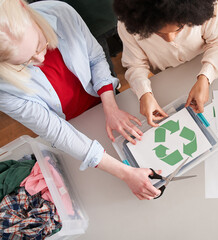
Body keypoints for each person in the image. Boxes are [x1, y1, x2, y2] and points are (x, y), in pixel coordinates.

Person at [0, 0, 160, 200]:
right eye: (24, 63)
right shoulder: (4, 89)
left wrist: (110, 107)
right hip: (70, 128)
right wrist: (126, 173)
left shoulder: (60, 11)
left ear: (26, 10)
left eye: (40, 45)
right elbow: (57, 131)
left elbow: (95, 59)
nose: (40, 59)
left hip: (104, 100)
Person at [114, 0, 218, 127]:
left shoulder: (206, 5)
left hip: (204, 61)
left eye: (179, 28)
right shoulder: (128, 25)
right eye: (158, 33)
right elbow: (135, 65)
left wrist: (205, 77)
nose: (170, 39)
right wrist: (144, 94)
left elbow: (217, 43)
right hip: (165, 76)